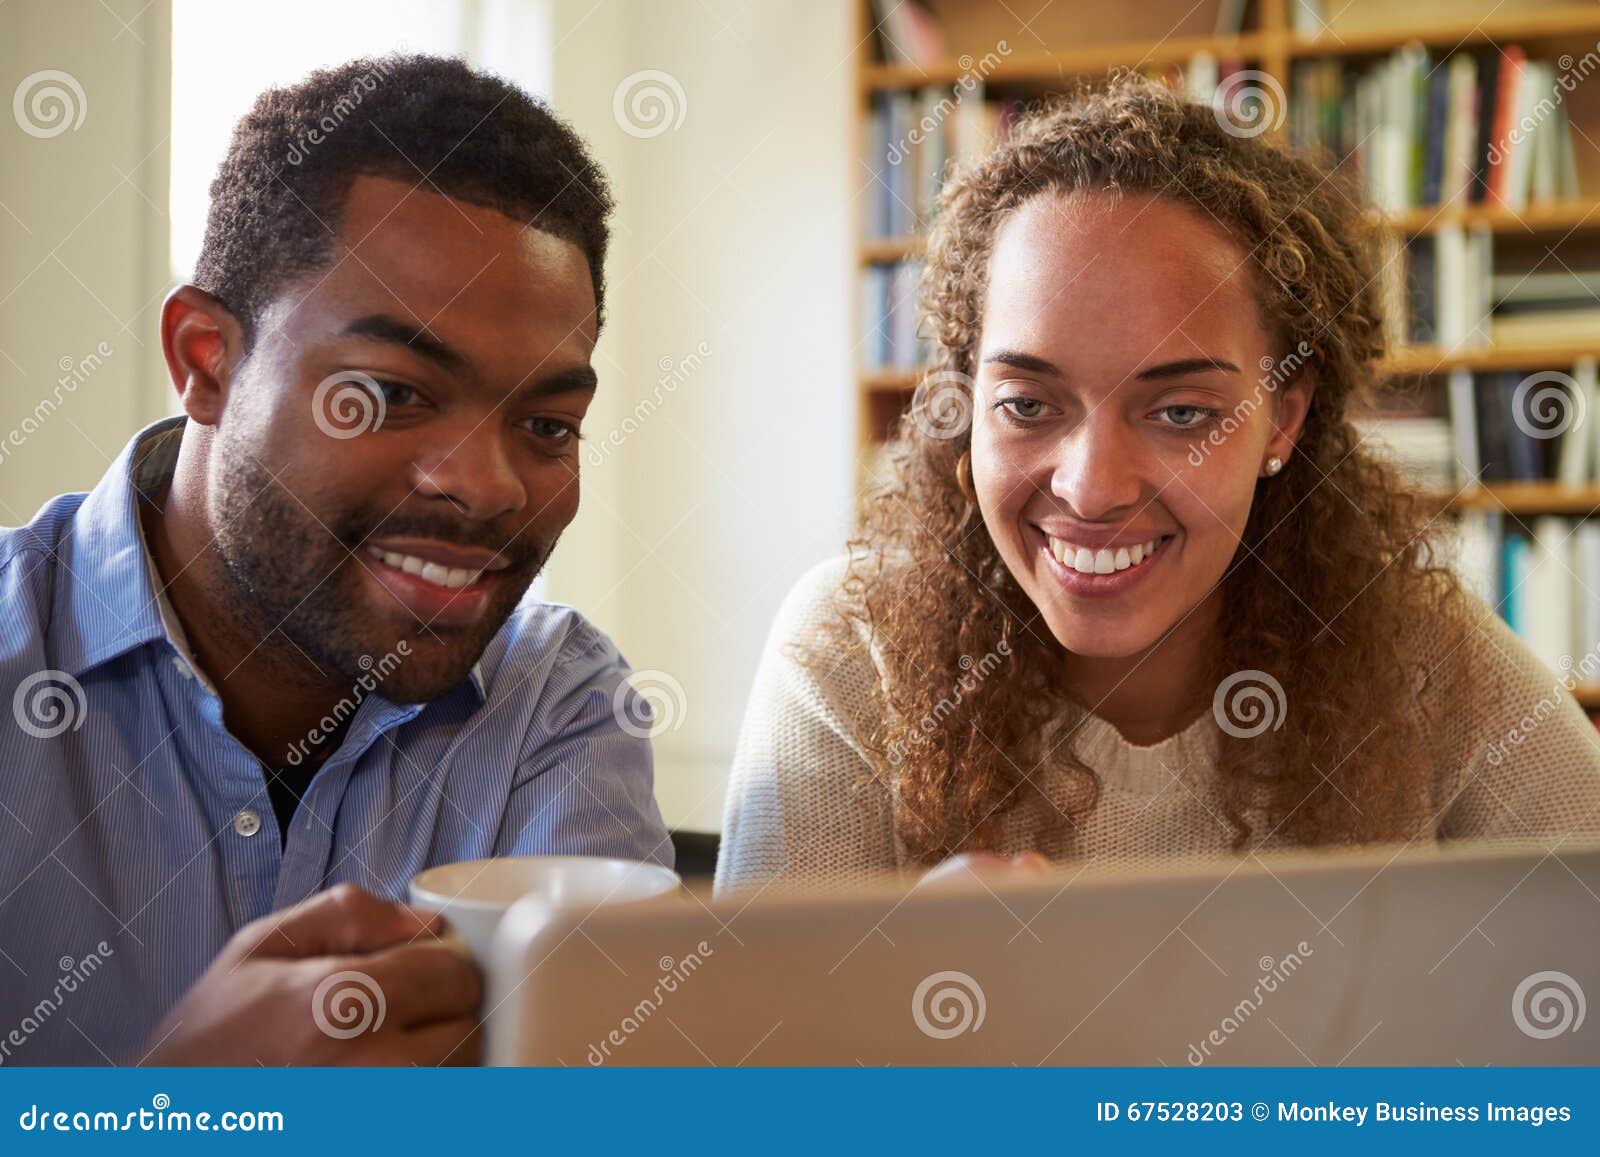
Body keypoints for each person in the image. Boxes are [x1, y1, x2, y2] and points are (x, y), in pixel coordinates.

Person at [716, 76, 1600, 891]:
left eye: (1180, 412)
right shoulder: (853, 657)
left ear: (1282, 419)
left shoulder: (1417, 657)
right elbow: (758, 1013)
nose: (1092, 488)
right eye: (1027, 404)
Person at [0, 54, 669, 1065]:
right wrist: (174, 1114)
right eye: (388, 393)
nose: (485, 486)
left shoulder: (555, 707)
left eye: (546, 424)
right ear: (205, 360)